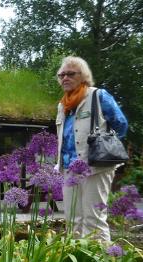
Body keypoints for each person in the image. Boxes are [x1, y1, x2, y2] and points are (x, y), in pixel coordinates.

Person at [55, 56, 128, 242]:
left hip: (96, 166)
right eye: (61, 75)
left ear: (83, 76)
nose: (65, 78)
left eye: (70, 74)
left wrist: (103, 145)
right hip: (69, 168)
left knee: (93, 219)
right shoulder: (63, 105)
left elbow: (121, 124)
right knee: (72, 220)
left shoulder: (98, 96)